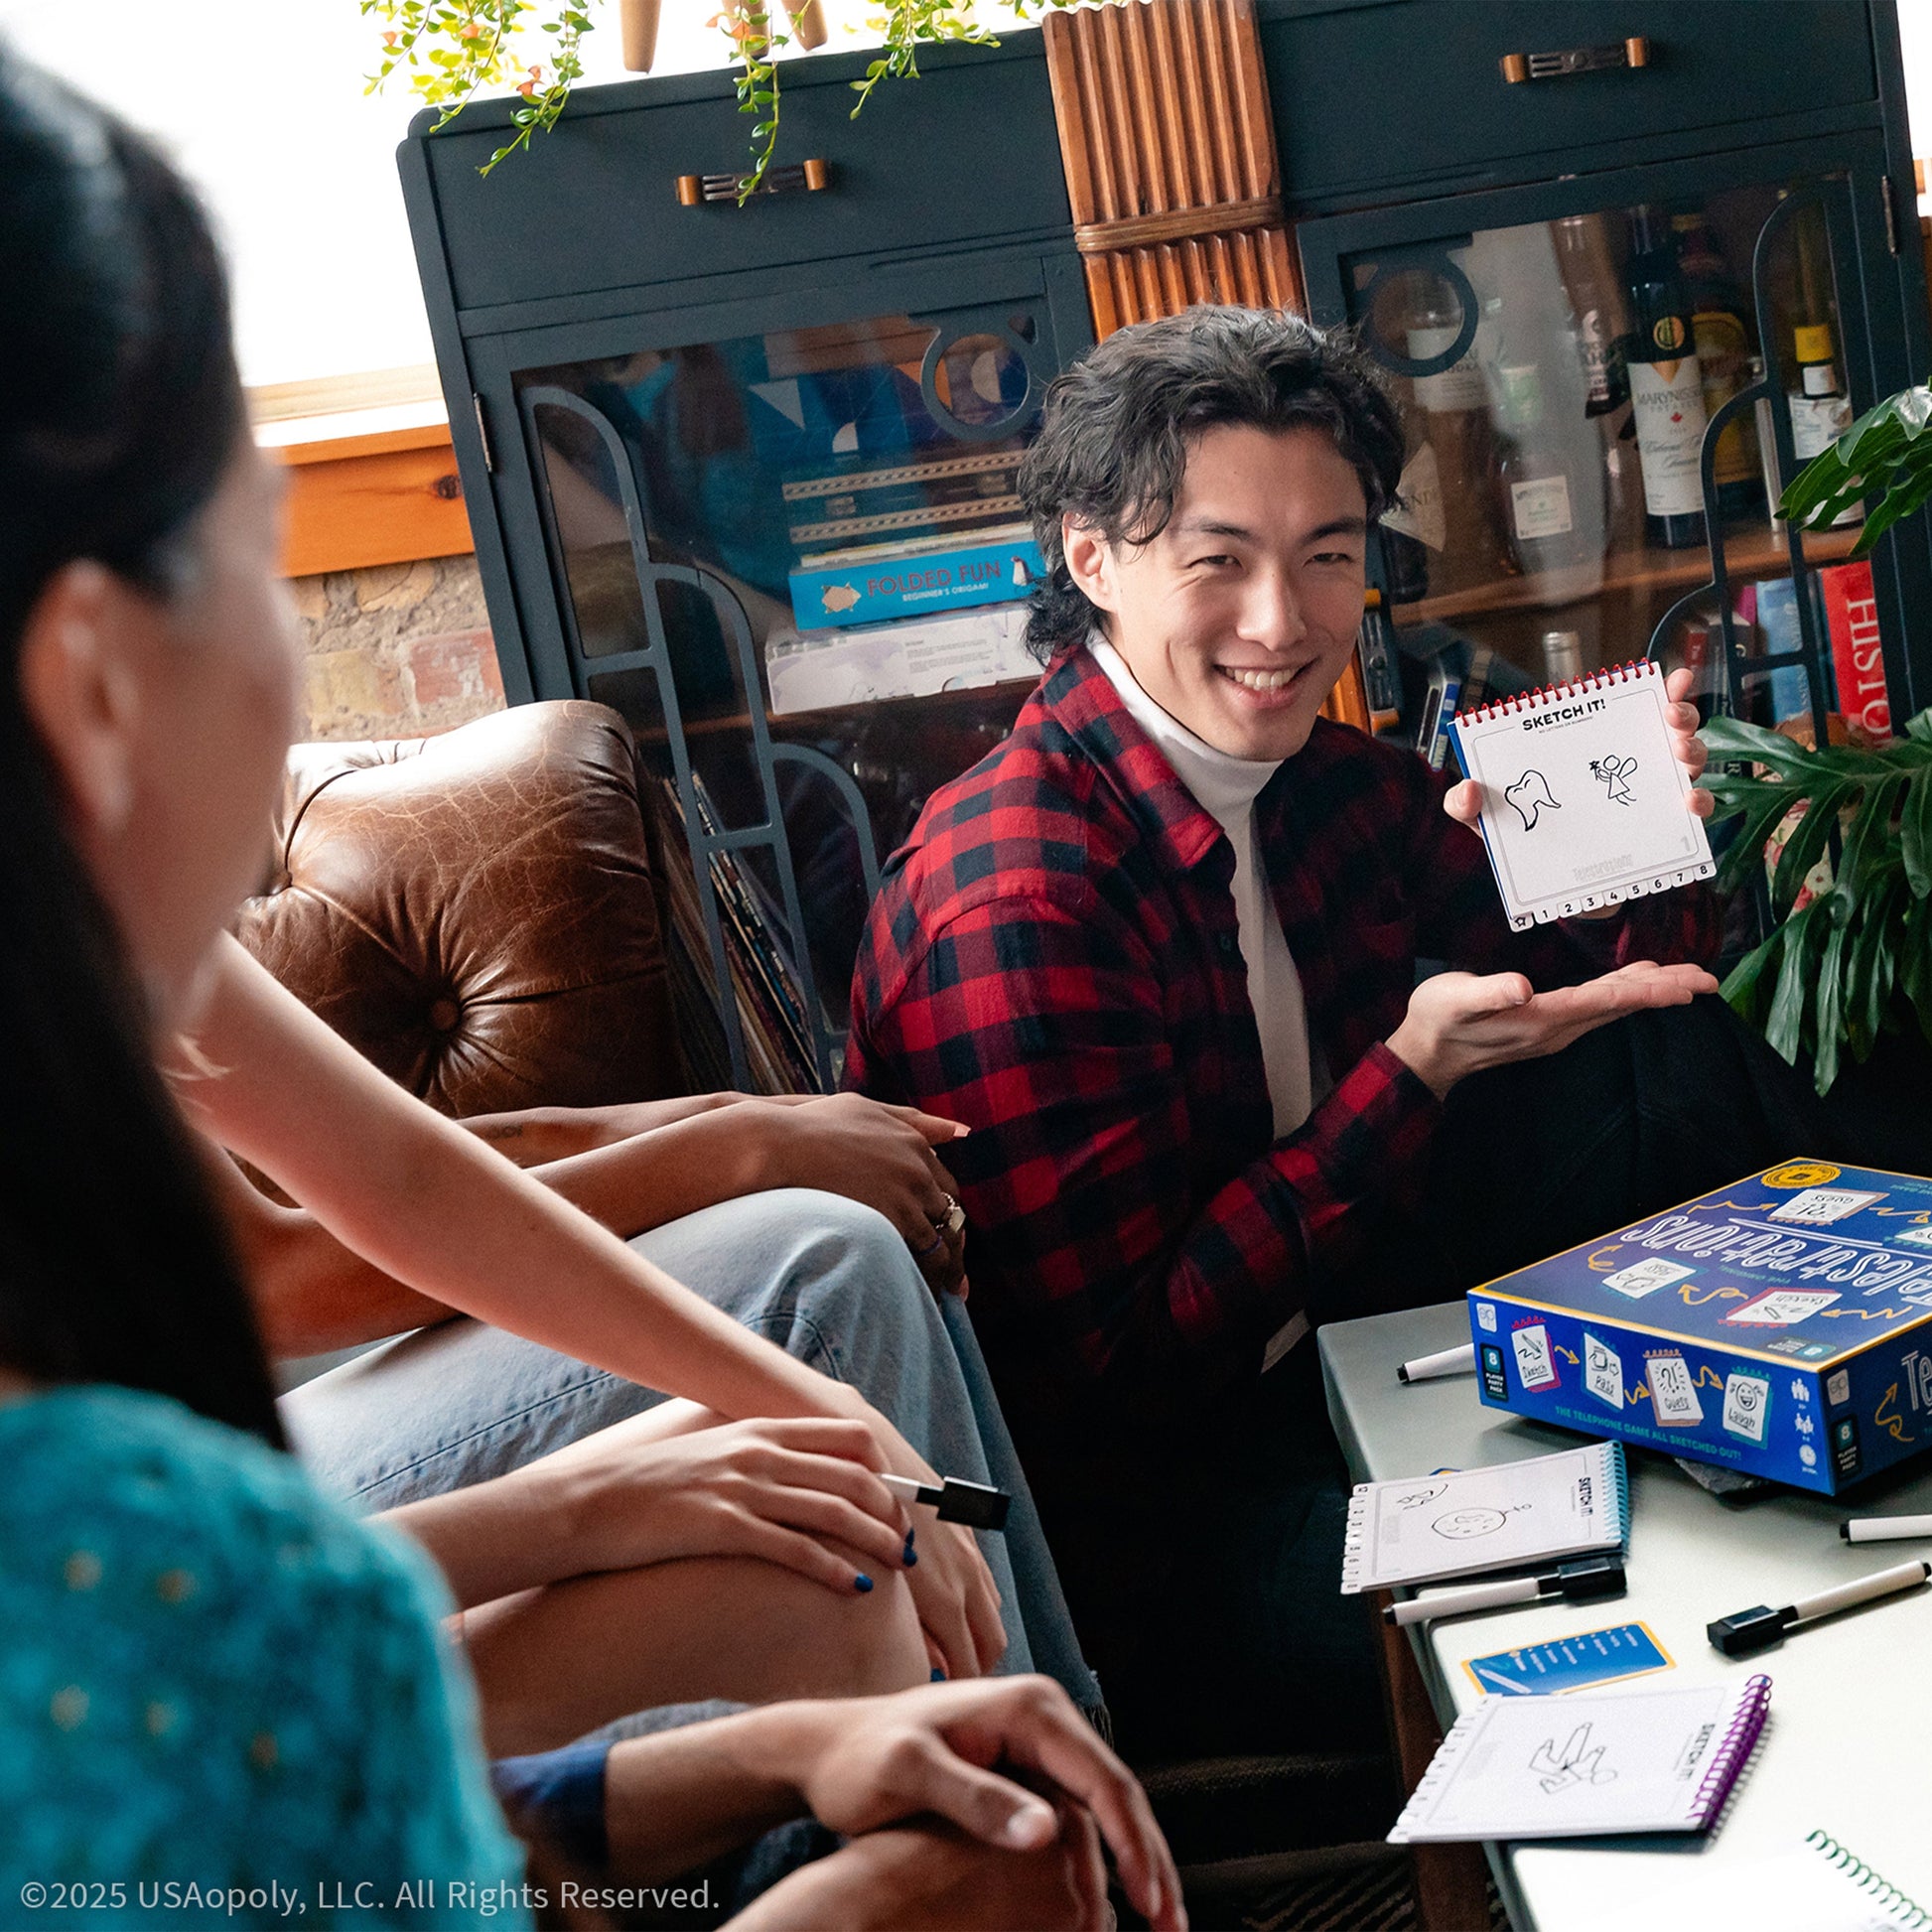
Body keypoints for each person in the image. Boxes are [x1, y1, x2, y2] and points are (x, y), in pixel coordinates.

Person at [0, 46, 1182, 1928]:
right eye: (254, 546)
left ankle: (1074, 1804)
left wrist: (760, 1456)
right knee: (822, 1328)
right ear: (89, 682)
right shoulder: (180, 1592)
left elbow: (394, 1175)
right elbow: (269, 1589)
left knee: (832, 1542)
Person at [841, 305, 1927, 1760]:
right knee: (1640, 1576)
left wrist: (1632, 838)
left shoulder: (1320, 782)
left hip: (1348, 1319)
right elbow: (1120, 1386)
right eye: (1218, 562)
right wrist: (1407, 1077)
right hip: (1173, 1524)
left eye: (1327, 555)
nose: (1282, 624)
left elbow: (1633, 990)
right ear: (1092, 560)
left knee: (1729, 1048)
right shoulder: (1018, 899)